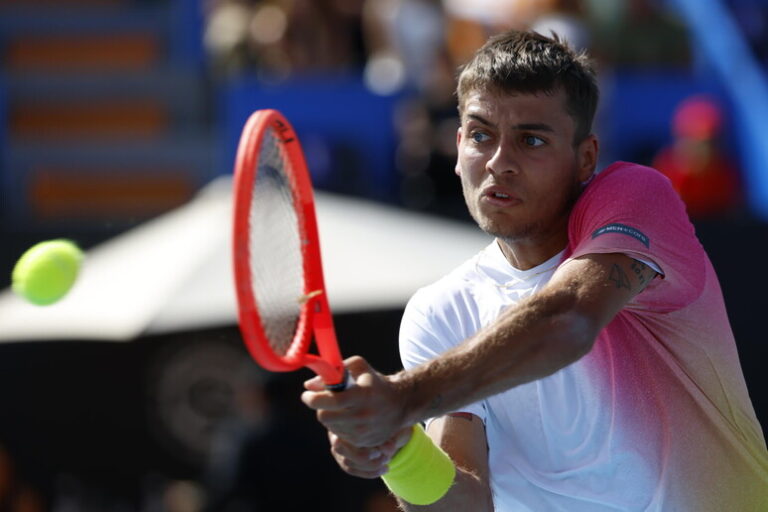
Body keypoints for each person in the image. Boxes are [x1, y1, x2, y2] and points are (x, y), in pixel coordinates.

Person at [302, 30, 768, 510]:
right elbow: (467, 503)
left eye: (531, 140)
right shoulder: (438, 313)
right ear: (459, 148)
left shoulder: (637, 196)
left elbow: (568, 320)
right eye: (481, 135)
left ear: (585, 158)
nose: (500, 163)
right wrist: (397, 452)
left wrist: (404, 398)